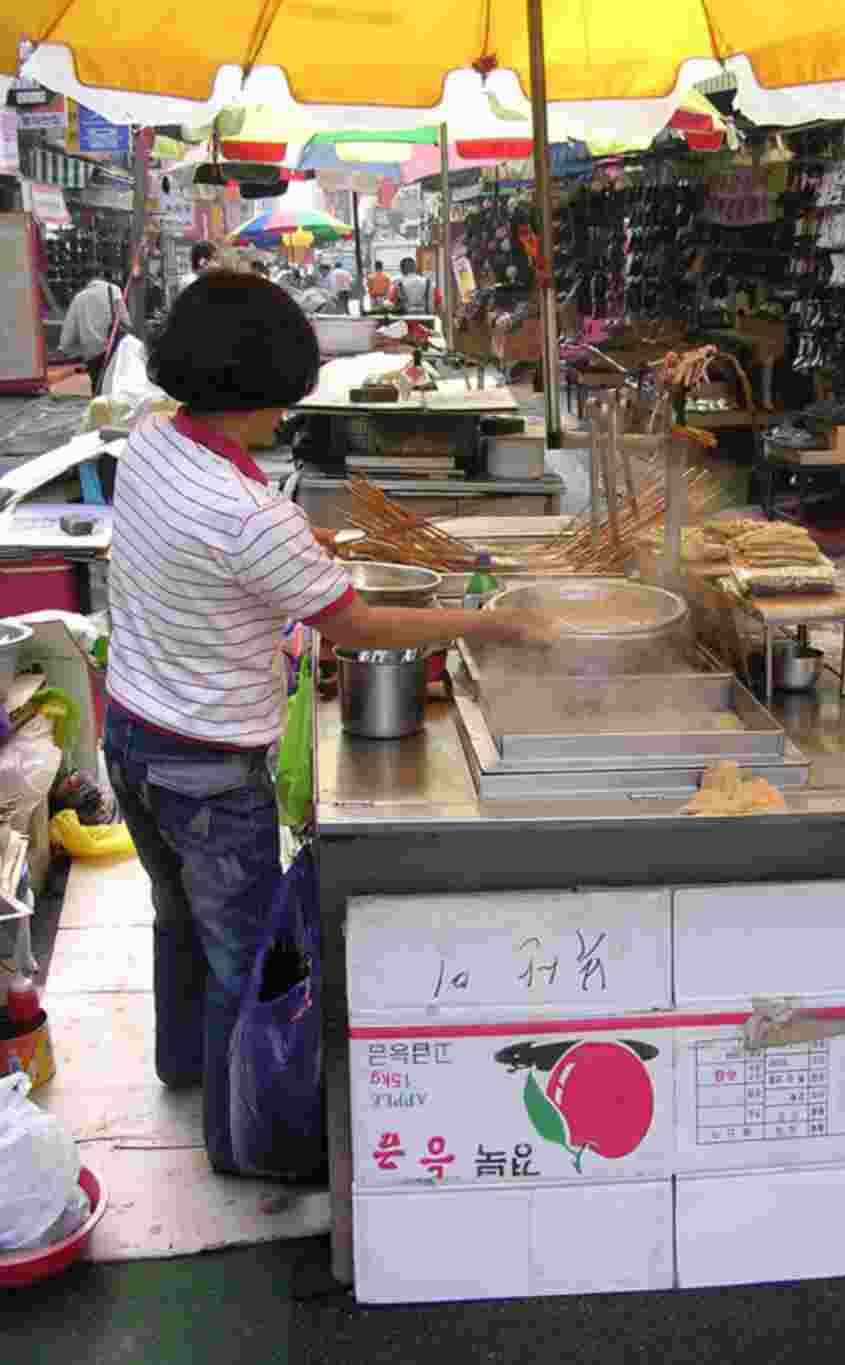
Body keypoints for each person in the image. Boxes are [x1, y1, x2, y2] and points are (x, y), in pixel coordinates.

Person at [102, 271, 555, 1177]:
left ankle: (182, 1066)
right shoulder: (250, 514)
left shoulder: (152, 443)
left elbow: (256, 571)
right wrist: (489, 621)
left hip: (131, 733)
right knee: (243, 957)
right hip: (208, 763)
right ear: (254, 388)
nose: (288, 412)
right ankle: (245, 1146)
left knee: (175, 916)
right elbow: (353, 624)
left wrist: (307, 559)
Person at [58, 275, 131, 395]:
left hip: (92, 352)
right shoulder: (113, 290)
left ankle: (98, 408)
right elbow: (124, 318)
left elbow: (70, 325)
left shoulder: (79, 298)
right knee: (116, 384)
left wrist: (64, 348)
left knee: (97, 385)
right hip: (114, 347)